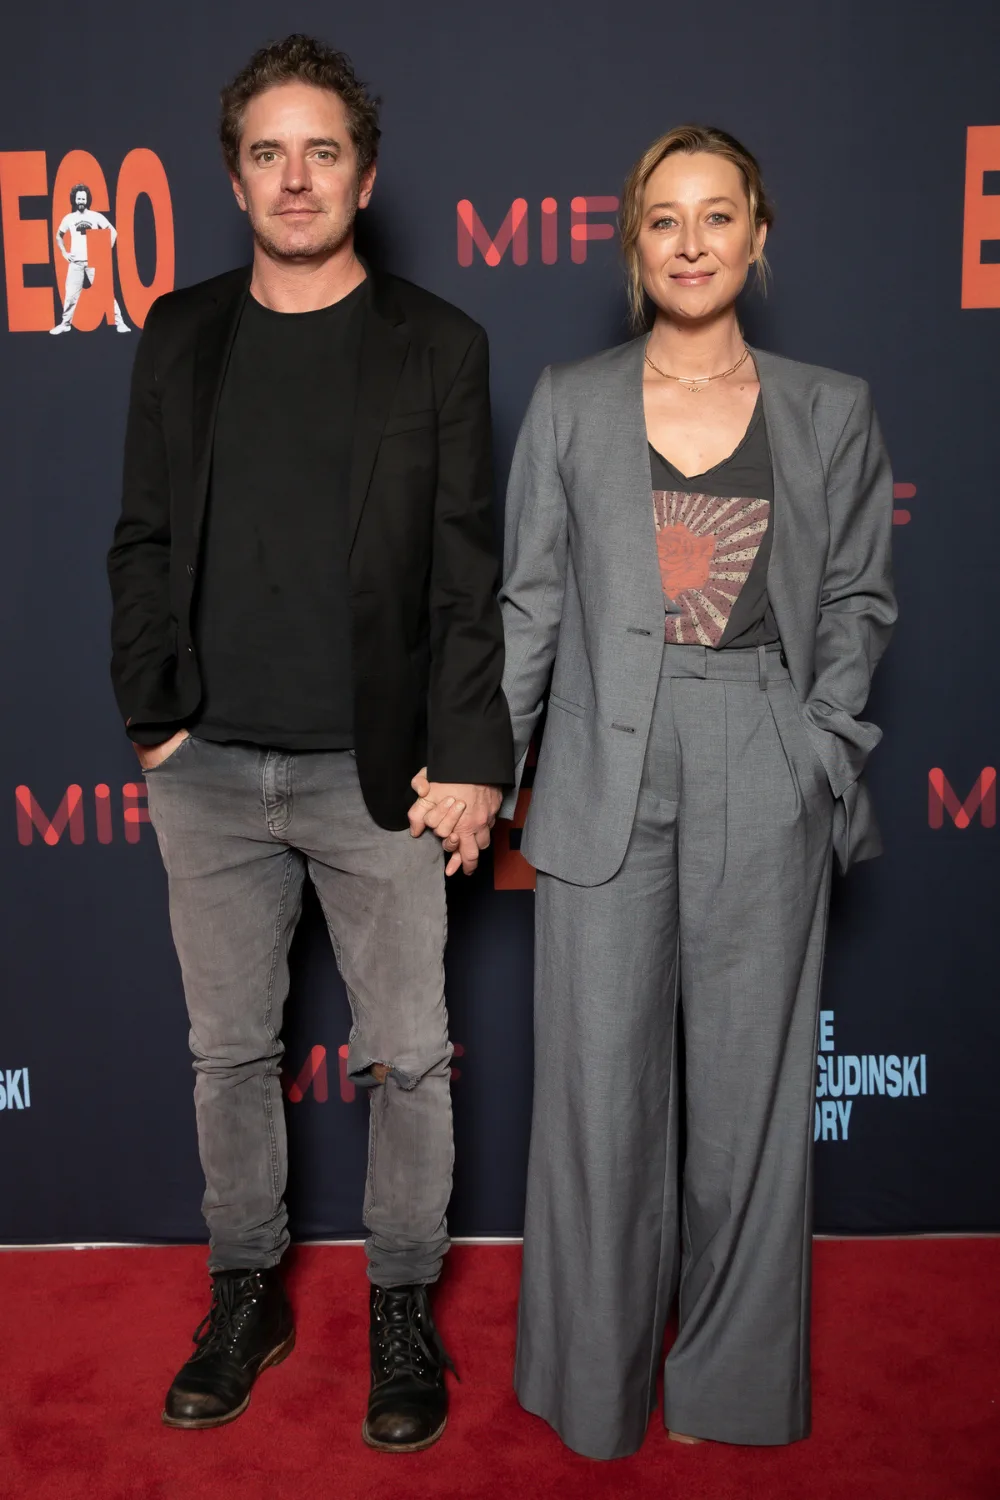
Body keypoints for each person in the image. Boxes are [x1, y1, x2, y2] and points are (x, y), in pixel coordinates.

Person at [107, 34, 511, 1449]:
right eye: (269, 152)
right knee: (229, 1054)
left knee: (406, 1053)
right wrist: (152, 719)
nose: (296, 176)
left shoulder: (441, 346)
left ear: (365, 172)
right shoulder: (180, 331)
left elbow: (470, 574)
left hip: (380, 776)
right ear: (235, 177)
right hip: (207, 771)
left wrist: (473, 758)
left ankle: (401, 1303)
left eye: (321, 150)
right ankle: (247, 1291)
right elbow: (142, 538)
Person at [496, 125, 896, 1457]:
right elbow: (531, 606)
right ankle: (597, 1389)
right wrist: (486, 777)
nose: (690, 242)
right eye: (663, 220)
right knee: (598, 1104)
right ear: (633, 244)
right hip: (606, 762)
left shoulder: (828, 406)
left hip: (761, 753)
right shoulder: (570, 398)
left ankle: (731, 1392)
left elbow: (852, 600)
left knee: (751, 1105)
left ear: (758, 235)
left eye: (716, 216)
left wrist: (819, 749)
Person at [50, 184, 131, 334]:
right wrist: (64, 253)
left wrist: (105, 251)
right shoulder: (69, 218)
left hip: (94, 262)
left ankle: (120, 323)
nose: (81, 201)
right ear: (74, 200)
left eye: (83, 198)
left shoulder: (95, 216)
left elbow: (112, 231)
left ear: (87, 200)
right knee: (70, 296)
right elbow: (58, 236)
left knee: (106, 293)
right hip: (76, 262)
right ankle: (65, 324)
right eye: (79, 198)